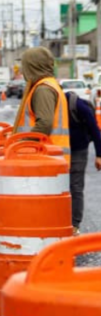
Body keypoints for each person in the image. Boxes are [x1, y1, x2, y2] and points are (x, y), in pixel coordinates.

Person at [13, 46, 70, 163]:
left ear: (33, 67)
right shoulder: (47, 85)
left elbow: (45, 123)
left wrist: (22, 142)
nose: (22, 70)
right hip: (46, 157)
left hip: (44, 158)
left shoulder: (43, 89)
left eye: (24, 66)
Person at [65, 88, 101, 234]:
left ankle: (74, 224)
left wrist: (99, 155)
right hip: (59, 150)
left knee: (76, 186)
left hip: (78, 150)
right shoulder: (52, 106)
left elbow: (95, 130)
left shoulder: (79, 106)